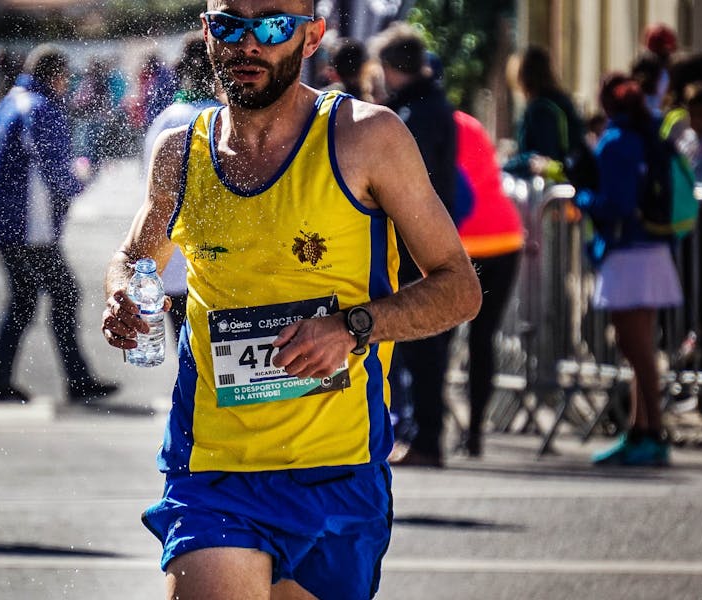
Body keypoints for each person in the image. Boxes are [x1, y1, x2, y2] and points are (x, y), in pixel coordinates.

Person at [101, 2, 482, 597]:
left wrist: (352, 327)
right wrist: (123, 294)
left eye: (273, 25)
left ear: (311, 37)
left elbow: (458, 287)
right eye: (229, 24)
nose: (248, 43)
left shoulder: (366, 137)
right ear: (207, 32)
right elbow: (132, 258)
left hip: (337, 473)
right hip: (214, 471)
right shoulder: (180, 153)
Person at [0, 44, 118, 404]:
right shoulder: (41, 108)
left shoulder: (11, 101)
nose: (67, 84)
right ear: (55, 75)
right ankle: (75, 380)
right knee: (63, 294)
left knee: (28, 298)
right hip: (30, 227)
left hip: (7, 222)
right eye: (66, 77)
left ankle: (3, 379)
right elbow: (59, 175)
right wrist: (85, 175)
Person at [368, 23, 470, 468]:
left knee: (422, 344)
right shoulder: (428, 105)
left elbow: (405, 182)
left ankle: (427, 438)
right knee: (419, 346)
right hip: (421, 233)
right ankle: (420, 434)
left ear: (391, 67)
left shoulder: (415, 113)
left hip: (415, 238)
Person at [576, 74, 682, 467]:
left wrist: (582, 196)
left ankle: (653, 433)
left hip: (627, 254)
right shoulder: (649, 135)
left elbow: (614, 204)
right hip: (652, 249)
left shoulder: (616, 141)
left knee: (634, 348)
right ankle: (640, 430)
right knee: (641, 349)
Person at [449, 109, 524, 458]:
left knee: (437, 339)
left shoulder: (427, 124)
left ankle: (433, 429)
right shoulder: (471, 123)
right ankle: (475, 431)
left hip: (464, 243)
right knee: (483, 339)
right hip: (504, 237)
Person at [141, 33, 224, 338]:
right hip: (214, 265)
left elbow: (150, 192)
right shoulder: (222, 119)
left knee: (185, 350)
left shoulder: (165, 120)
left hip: (169, 262)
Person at [502, 46, 588, 182]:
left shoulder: (540, 109)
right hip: (569, 180)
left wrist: (508, 165)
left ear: (523, 76)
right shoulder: (561, 102)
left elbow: (543, 157)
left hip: (549, 186)